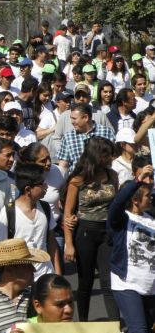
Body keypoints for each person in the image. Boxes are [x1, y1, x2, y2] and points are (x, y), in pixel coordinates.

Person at [100, 165, 155, 333]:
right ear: (135, 199)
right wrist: (138, 181)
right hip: (127, 285)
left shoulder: (151, 219)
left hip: (150, 286)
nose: (151, 198)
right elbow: (116, 204)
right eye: (148, 195)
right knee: (139, 331)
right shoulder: (121, 221)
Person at [63, 136, 120, 323]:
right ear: (97, 155)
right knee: (85, 280)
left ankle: (115, 325)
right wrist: (69, 244)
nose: (111, 158)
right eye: (107, 154)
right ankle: (84, 323)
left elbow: (116, 205)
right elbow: (68, 213)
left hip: (107, 233)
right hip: (85, 232)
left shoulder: (112, 176)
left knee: (107, 280)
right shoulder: (77, 180)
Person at [0, 164, 62, 278]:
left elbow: (51, 242)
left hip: (46, 274)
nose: (46, 187)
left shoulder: (45, 208)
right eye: (42, 184)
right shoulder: (8, 213)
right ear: (28, 189)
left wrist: (57, 272)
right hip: (20, 279)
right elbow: (1, 251)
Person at [57, 103, 116, 172]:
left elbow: (114, 158)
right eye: (71, 118)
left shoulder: (107, 132)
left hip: (102, 179)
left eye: (74, 119)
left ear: (85, 117)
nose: (71, 122)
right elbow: (63, 165)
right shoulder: (68, 138)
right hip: (78, 180)